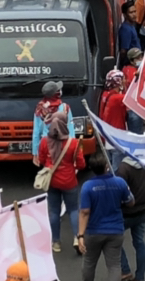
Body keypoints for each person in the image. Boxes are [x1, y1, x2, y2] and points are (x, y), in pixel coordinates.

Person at [78, 154, 135, 281]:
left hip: (93, 232)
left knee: (89, 262)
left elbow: (84, 212)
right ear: (106, 167)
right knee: (114, 265)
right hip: (115, 230)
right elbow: (131, 202)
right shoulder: (119, 182)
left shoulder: (87, 187)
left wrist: (81, 235)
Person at [39, 109, 86, 254]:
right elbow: (81, 164)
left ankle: (56, 242)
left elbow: (41, 160)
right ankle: (77, 238)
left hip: (52, 181)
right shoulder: (73, 143)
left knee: (54, 211)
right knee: (73, 210)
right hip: (69, 181)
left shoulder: (45, 142)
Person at [117, 156, 145, 281]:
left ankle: (125, 270)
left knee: (114, 242)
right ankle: (140, 277)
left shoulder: (123, 169)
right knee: (139, 243)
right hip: (141, 212)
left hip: (124, 213)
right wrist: (144, 194)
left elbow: (118, 191)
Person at [32, 80, 74, 165]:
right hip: (64, 145)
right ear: (57, 93)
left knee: (49, 170)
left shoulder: (40, 109)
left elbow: (36, 132)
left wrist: (35, 153)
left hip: (46, 145)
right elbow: (71, 130)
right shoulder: (65, 108)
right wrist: (74, 149)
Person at [99, 70, 129, 164]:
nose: (125, 81)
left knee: (110, 165)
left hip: (107, 136)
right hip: (117, 138)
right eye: (123, 78)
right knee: (117, 168)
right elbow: (132, 98)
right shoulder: (117, 99)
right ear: (118, 81)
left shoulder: (105, 94)